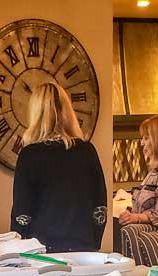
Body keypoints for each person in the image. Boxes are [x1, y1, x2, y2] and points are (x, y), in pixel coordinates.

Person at [11, 81, 107, 252]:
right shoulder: (86, 151)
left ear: (35, 113)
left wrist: (19, 246)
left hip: (42, 249)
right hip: (82, 246)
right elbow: (99, 207)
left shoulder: (30, 154)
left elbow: (22, 213)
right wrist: (93, 242)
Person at [118, 114, 158, 228]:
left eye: (146, 138)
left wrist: (136, 218)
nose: (142, 143)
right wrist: (129, 213)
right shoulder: (155, 171)